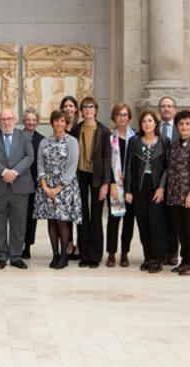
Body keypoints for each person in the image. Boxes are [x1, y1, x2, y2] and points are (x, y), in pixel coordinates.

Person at [0, 108, 34, 270]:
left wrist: (15, 172)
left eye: (9, 118)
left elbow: (29, 157)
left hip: (19, 186)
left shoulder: (24, 137)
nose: (6, 122)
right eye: (3, 119)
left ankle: (16, 256)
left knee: (18, 223)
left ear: (15, 119)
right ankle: (0, 256)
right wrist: (4, 172)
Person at [33, 110, 82, 269]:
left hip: (65, 188)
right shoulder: (45, 142)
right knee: (51, 221)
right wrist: (45, 186)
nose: (59, 124)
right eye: (56, 121)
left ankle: (63, 255)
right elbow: (40, 164)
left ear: (66, 123)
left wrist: (58, 188)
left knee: (62, 221)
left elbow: (72, 167)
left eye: (62, 121)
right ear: (52, 122)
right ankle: (54, 254)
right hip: (46, 186)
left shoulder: (72, 142)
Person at [124, 110, 170, 274]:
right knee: (142, 224)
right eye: (144, 121)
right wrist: (128, 190)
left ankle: (158, 259)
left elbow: (167, 167)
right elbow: (128, 166)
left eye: (150, 121)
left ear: (155, 124)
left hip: (156, 187)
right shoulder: (134, 141)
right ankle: (148, 257)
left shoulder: (164, 141)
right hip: (139, 187)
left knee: (156, 223)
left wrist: (162, 187)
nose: (147, 124)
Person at [71, 97, 111, 268]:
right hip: (80, 175)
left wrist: (106, 183)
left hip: (97, 176)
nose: (88, 110)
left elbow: (107, 158)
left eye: (91, 107)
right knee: (82, 216)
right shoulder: (76, 129)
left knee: (96, 216)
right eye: (85, 107)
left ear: (96, 110)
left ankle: (95, 255)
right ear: (81, 111)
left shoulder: (104, 131)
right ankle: (84, 254)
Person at [167, 110, 190, 276]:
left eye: (187, 124)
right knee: (180, 229)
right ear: (177, 126)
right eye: (181, 124)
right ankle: (184, 260)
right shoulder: (174, 145)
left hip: (189, 196)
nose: (184, 127)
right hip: (175, 195)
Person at [105, 103, 136, 268]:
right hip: (115, 184)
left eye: (125, 114)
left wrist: (130, 187)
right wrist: (111, 183)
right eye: (119, 114)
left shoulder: (135, 137)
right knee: (113, 219)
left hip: (130, 185)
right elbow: (106, 163)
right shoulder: (109, 137)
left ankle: (125, 253)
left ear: (129, 117)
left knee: (129, 220)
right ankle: (111, 253)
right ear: (114, 117)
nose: (122, 117)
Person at [158, 96, 180, 266]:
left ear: (175, 109)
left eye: (169, 106)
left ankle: (173, 253)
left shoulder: (180, 129)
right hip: (156, 182)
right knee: (159, 220)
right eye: (163, 106)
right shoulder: (152, 127)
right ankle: (162, 252)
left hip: (175, 183)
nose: (166, 109)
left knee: (174, 220)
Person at [21, 107, 44, 259]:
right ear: (24, 121)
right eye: (28, 120)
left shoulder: (41, 140)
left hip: (34, 184)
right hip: (18, 182)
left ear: (37, 122)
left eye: (33, 120)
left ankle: (27, 245)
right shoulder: (17, 136)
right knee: (17, 216)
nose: (31, 122)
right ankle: (15, 243)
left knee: (30, 216)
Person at [60, 95, 80, 260]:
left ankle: (80, 244)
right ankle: (68, 244)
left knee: (78, 211)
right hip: (64, 177)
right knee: (65, 212)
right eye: (65, 106)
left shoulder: (81, 128)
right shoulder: (60, 128)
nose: (68, 109)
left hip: (80, 174)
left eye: (71, 106)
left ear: (75, 109)